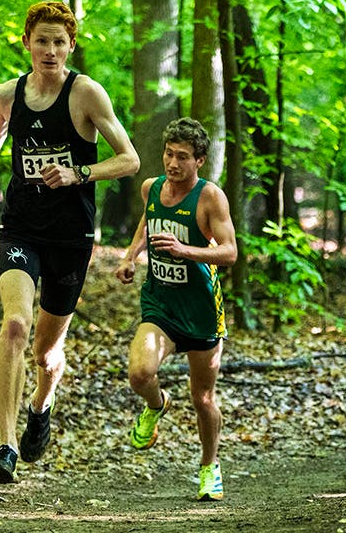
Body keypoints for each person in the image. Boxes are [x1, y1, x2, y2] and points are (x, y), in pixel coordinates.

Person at [0, 0, 140, 484]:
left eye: (59, 41)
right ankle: (6, 445)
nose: (50, 49)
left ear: (71, 45)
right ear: (27, 43)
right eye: (42, 40)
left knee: (46, 354)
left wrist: (79, 173)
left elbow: (130, 159)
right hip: (22, 227)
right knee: (15, 324)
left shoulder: (86, 94)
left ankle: (40, 404)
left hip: (71, 237)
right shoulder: (7, 94)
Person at [114, 117, 237, 501]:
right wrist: (131, 255)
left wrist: (187, 251)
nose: (173, 163)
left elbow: (230, 252)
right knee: (139, 373)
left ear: (199, 161)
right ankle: (157, 404)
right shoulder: (151, 188)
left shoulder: (209, 197)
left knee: (202, 398)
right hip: (161, 305)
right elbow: (147, 222)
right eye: (169, 154)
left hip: (200, 311)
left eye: (183, 157)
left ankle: (209, 467)